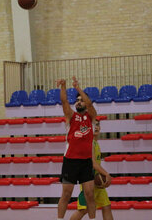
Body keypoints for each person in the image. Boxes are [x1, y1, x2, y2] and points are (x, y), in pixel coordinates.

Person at [57, 76, 97, 220]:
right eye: (77, 100)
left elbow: (90, 104)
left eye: (81, 100)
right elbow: (64, 101)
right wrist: (64, 86)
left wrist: (78, 88)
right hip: (70, 161)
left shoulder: (91, 116)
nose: (79, 102)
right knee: (66, 195)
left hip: (86, 162)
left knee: (90, 195)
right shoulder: (70, 115)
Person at [70, 120, 113, 220]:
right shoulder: (88, 143)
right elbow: (92, 163)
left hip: (96, 182)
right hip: (88, 182)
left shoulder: (95, 143)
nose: (96, 127)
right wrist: (106, 174)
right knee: (83, 210)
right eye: (93, 125)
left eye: (97, 125)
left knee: (106, 206)